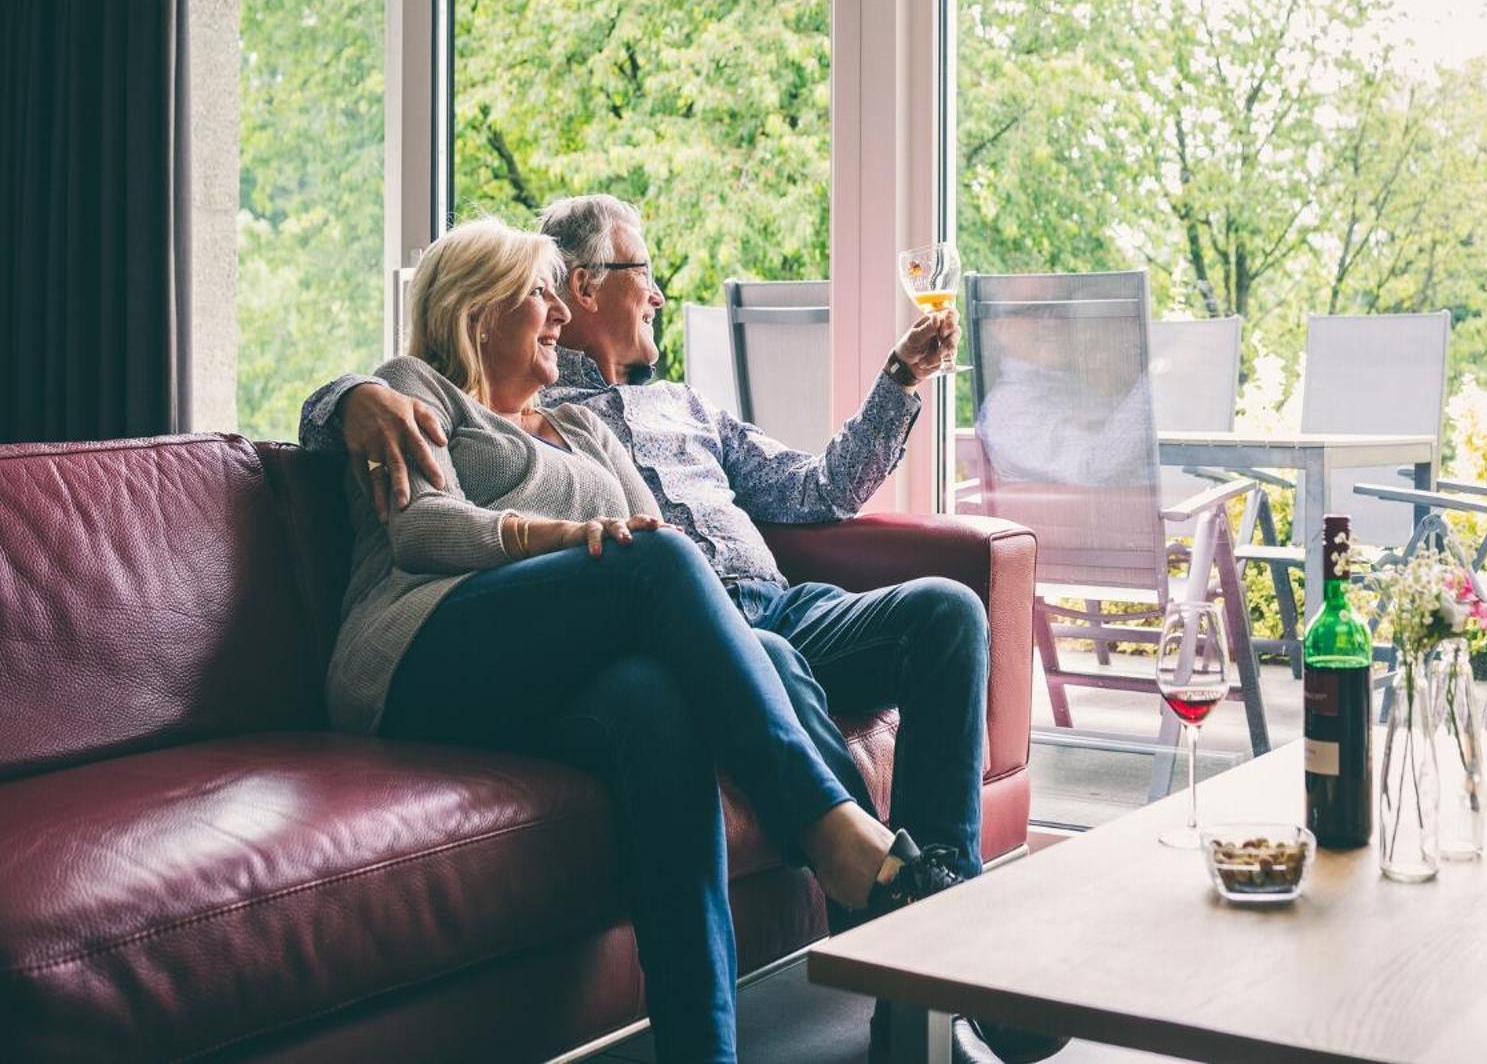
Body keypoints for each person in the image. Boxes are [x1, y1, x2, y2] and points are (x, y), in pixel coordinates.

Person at [303, 197, 1061, 1064]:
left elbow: (751, 507)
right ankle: (852, 850)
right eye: (543, 294)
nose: (558, 313)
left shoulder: (587, 424)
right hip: (420, 647)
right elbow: (420, 529)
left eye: (559, 296)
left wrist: (897, 383)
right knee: (661, 568)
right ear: (480, 306)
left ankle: (715, 1050)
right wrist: (550, 532)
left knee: (657, 701)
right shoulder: (413, 391)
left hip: (596, 652)